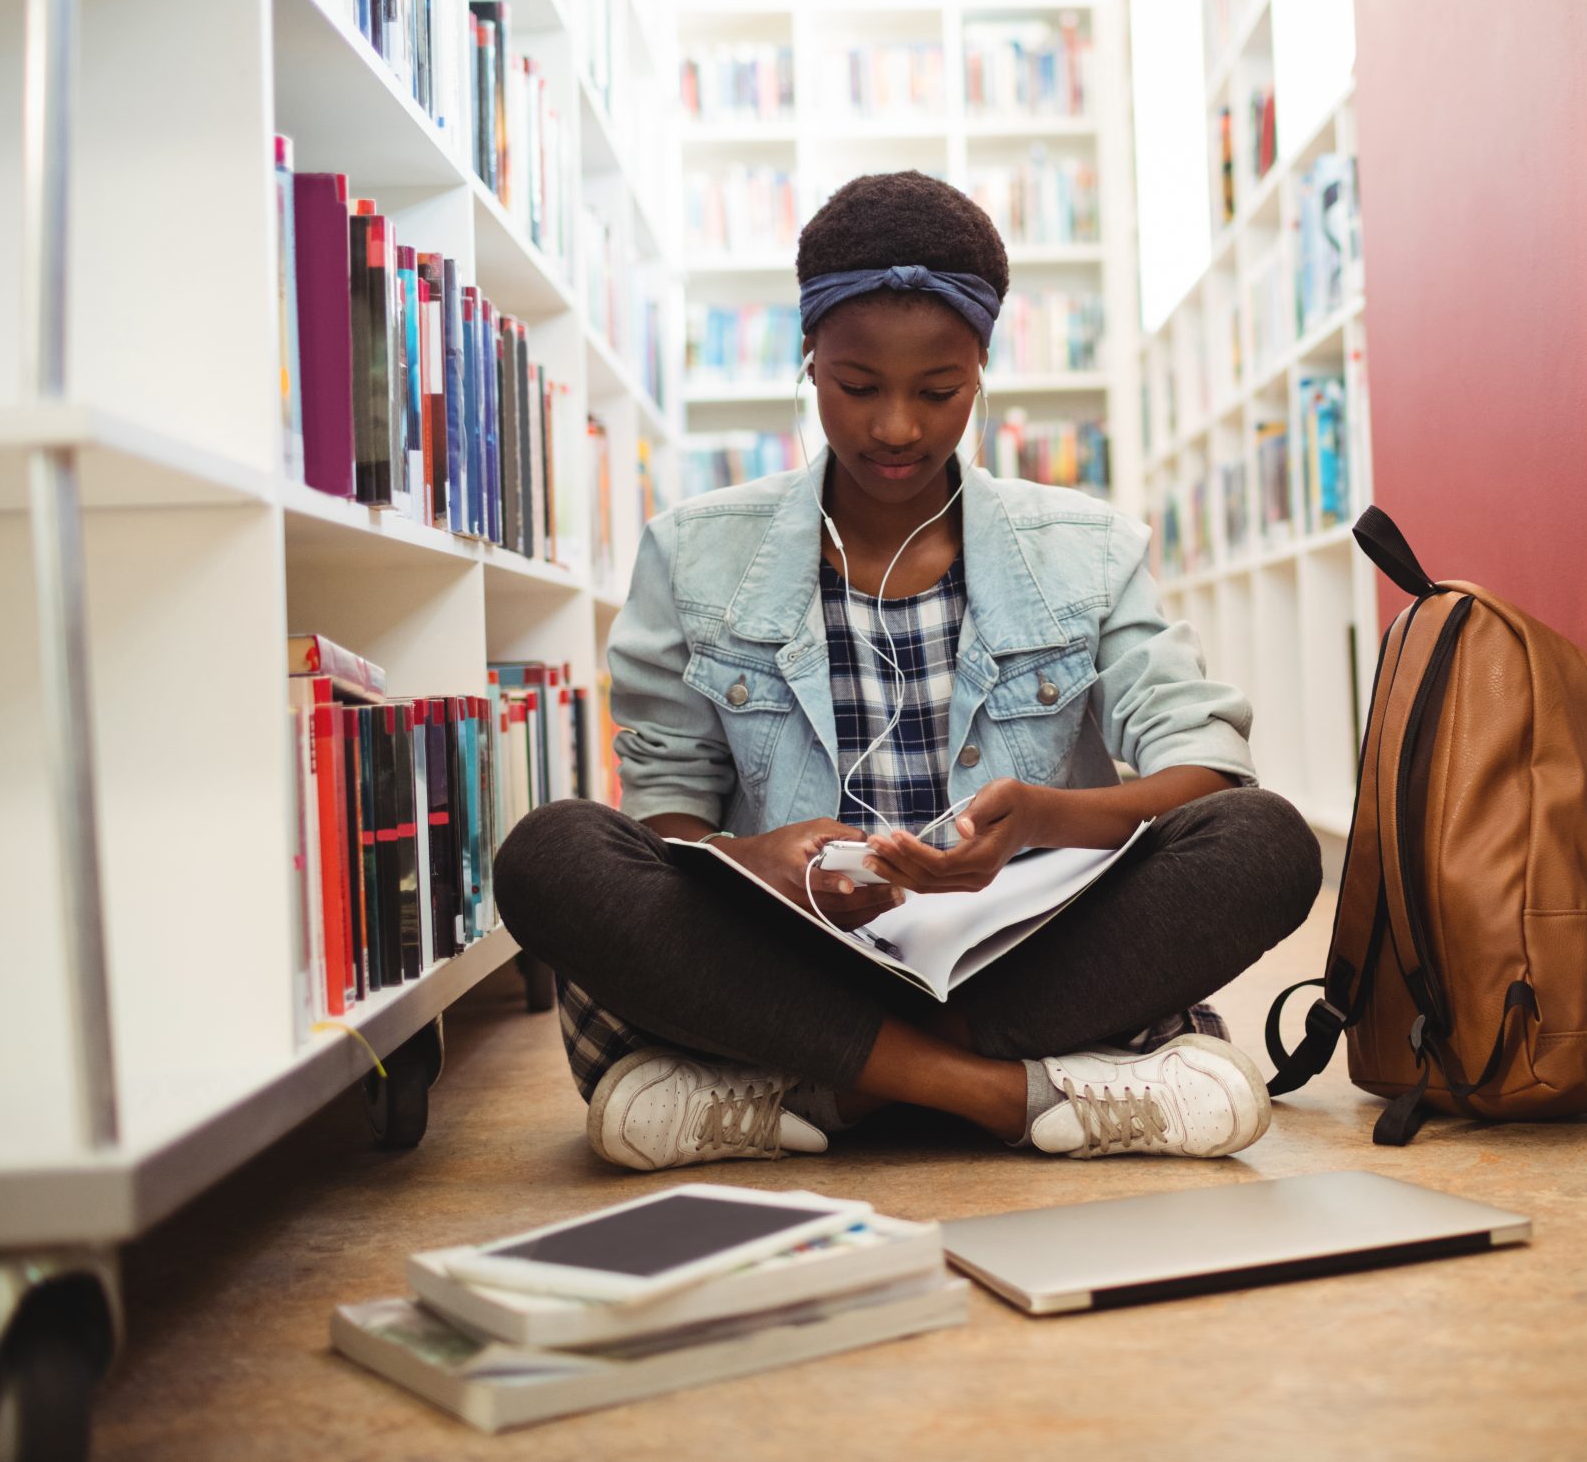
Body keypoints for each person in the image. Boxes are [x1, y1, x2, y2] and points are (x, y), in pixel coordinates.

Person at [495, 171, 1322, 1171]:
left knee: (1265, 840)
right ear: (808, 362)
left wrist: (1048, 819)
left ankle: (821, 1091)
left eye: (939, 392)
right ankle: (1006, 1095)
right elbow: (670, 814)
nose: (896, 427)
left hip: (1018, 959)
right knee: (552, 854)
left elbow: (1206, 768)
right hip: (793, 960)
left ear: (980, 369)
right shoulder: (694, 554)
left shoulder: (1088, 550)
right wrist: (755, 864)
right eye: (856, 386)